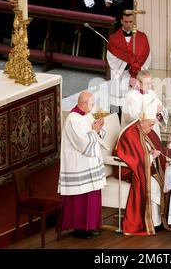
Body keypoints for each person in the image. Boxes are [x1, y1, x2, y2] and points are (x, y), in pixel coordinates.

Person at [113, 99, 168, 236]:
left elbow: (145, 152)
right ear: (142, 121)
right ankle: (150, 222)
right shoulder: (130, 134)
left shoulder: (145, 129)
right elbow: (133, 160)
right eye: (150, 125)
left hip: (144, 168)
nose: (151, 129)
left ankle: (157, 220)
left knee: (163, 181)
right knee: (154, 186)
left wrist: (154, 155)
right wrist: (151, 157)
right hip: (127, 170)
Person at [58, 91, 107, 239]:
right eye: (91, 104)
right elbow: (82, 143)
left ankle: (90, 226)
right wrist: (94, 130)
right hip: (78, 164)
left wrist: (99, 129)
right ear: (84, 103)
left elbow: (95, 132)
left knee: (91, 196)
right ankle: (79, 228)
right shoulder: (73, 120)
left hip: (89, 163)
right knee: (80, 198)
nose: (93, 107)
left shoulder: (87, 114)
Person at [107, 11, 151, 117]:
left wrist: (136, 69)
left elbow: (147, 56)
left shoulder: (142, 37)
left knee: (134, 106)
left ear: (134, 21)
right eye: (125, 22)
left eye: (130, 21)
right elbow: (111, 57)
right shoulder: (114, 38)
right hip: (120, 76)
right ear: (121, 21)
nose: (128, 24)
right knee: (118, 105)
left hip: (136, 77)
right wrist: (127, 65)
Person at [121, 70, 168, 139]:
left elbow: (161, 109)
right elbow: (131, 117)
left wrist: (159, 113)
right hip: (136, 133)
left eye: (150, 83)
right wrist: (153, 112)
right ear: (138, 82)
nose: (149, 86)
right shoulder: (131, 96)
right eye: (146, 83)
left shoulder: (152, 94)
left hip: (152, 129)